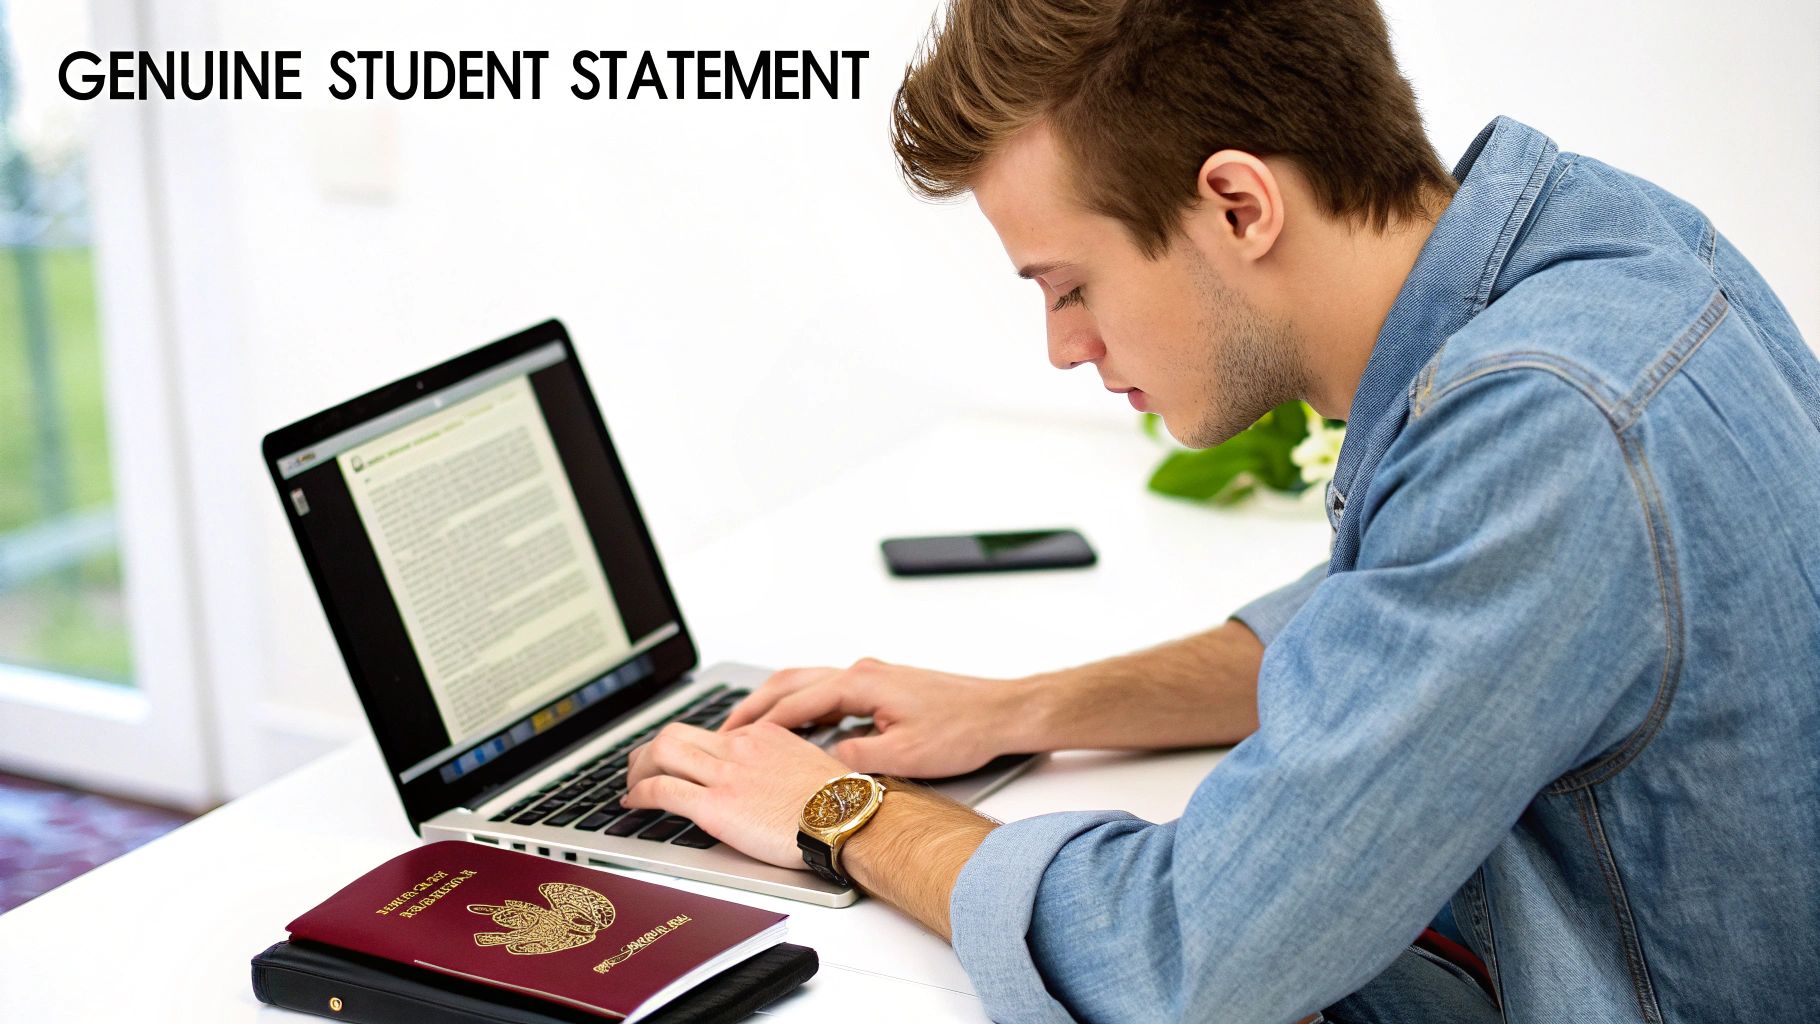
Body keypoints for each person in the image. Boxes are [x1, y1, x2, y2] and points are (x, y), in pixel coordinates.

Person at [621, 0, 1820, 1019]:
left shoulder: (1540, 430)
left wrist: (845, 810)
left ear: (1237, 207)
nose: (1062, 346)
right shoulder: (1601, 242)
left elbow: (1190, 962)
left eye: (1069, 284)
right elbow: (1391, 614)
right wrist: (1021, 708)